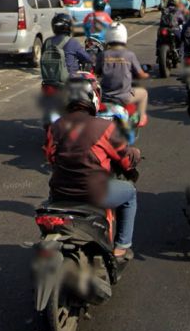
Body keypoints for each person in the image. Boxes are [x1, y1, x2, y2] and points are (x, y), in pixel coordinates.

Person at [44, 77, 142, 259]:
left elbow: (50, 157)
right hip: (94, 192)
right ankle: (122, 246)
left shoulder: (55, 126)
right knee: (130, 193)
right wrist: (135, 155)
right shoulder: (105, 126)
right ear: (92, 98)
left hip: (59, 192)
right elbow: (125, 159)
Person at [97, 23, 150, 129]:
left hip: (105, 97)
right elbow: (140, 74)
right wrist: (146, 75)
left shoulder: (103, 54)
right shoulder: (129, 55)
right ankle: (139, 119)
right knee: (143, 93)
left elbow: (97, 71)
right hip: (124, 97)